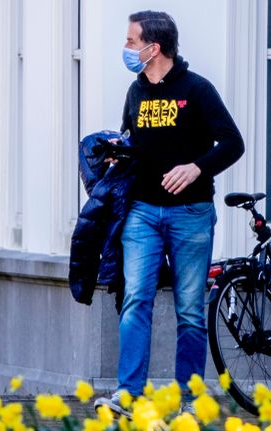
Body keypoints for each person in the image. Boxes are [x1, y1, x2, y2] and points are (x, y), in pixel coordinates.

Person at [94, 11, 244, 417]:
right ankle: (128, 396)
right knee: (135, 300)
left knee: (190, 311)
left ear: (153, 47)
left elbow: (233, 143)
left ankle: (191, 403)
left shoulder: (197, 90)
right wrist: (115, 155)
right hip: (141, 212)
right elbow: (132, 141)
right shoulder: (135, 92)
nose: (125, 49)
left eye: (130, 41)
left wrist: (197, 166)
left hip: (191, 214)